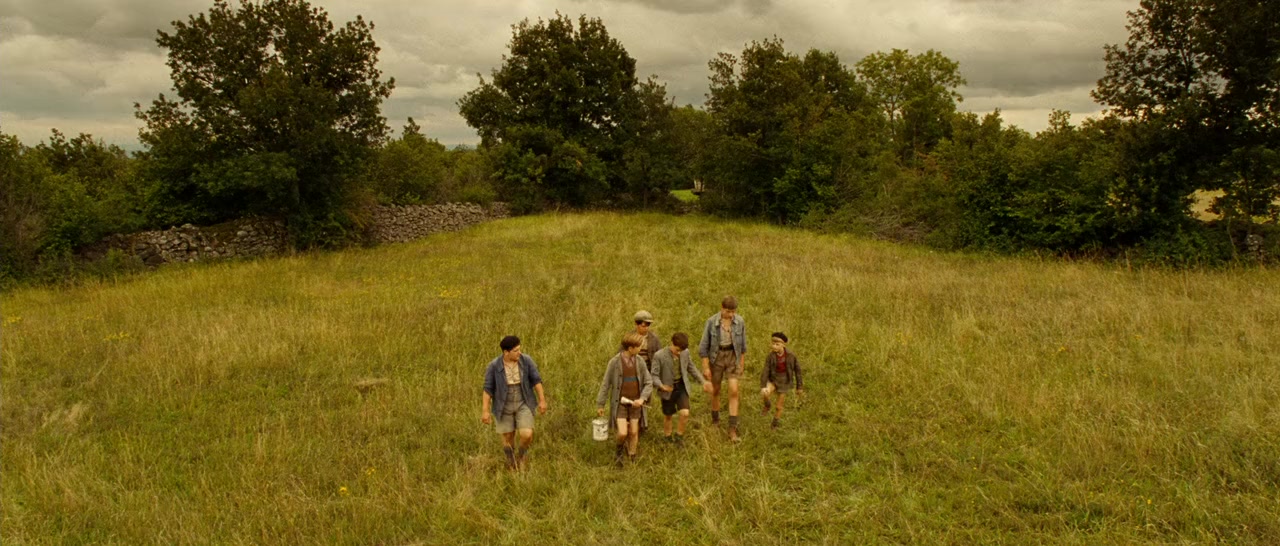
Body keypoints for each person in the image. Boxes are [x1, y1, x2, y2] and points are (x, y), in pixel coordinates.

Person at [481, 336, 547, 471]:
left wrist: (542, 400)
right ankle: (511, 463)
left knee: (527, 434)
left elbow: (536, 381)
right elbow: (487, 389)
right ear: (506, 352)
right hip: (503, 405)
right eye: (516, 351)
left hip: (523, 402)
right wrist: (485, 411)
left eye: (519, 349)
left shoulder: (526, 361)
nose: (519, 353)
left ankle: (522, 456)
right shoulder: (494, 366)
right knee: (508, 436)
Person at [597, 332, 654, 467]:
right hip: (620, 403)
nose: (641, 349)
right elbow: (606, 383)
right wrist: (601, 404)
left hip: (636, 403)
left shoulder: (640, 361)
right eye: (639, 347)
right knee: (622, 433)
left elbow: (648, 382)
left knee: (634, 431)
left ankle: (632, 455)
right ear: (630, 348)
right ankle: (619, 451)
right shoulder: (614, 362)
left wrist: (642, 399)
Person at [698, 295, 746, 442]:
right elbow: (703, 347)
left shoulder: (740, 322)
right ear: (722, 308)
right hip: (716, 357)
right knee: (716, 390)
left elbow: (743, 346)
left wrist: (741, 363)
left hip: (732, 357)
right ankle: (715, 420)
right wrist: (706, 367)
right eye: (728, 311)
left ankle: (732, 428)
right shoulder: (711, 322)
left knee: (734, 390)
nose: (731, 315)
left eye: (733, 311)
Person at [650, 332, 708, 445]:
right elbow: (654, 375)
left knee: (685, 413)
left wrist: (703, 382)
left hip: (681, 386)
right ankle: (667, 437)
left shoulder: (685, 352)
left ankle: (679, 436)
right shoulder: (659, 355)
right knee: (668, 415)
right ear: (672, 343)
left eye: (681, 350)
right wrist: (661, 386)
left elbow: (691, 368)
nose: (679, 352)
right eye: (677, 350)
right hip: (667, 388)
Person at [628, 310, 662, 433]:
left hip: (648, 371)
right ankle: (631, 422)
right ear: (637, 324)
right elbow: (621, 354)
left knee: (645, 397)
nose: (646, 327)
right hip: (631, 371)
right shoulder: (629, 337)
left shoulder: (654, 338)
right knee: (632, 396)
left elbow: (659, 355)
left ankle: (643, 424)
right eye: (644, 324)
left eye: (648, 324)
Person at [760, 332, 802, 429]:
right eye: (773, 344)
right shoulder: (770, 356)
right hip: (773, 379)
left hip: (784, 382)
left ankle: (774, 424)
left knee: (779, 406)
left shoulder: (791, 356)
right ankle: (767, 405)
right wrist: (763, 385)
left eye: (777, 344)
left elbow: (798, 371)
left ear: (783, 345)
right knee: (765, 393)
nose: (774, 346)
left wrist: (799, 386)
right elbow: (766, 370)